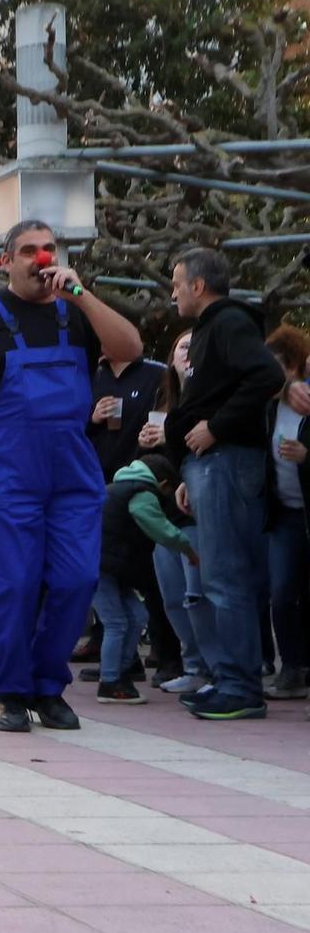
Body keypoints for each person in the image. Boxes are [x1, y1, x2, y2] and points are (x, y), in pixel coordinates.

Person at [0, 222, 143, 732]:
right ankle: (14, 692)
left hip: (72, 473)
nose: (41, 259)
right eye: (28, 251)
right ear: (4, 262)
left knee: (78, 579)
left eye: (49, 249)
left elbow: (129, 347)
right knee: (15, 585)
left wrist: (82, 294)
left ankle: (48, 685)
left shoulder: (76, 311)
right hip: (5, 474)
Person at [165, 247, 285, 722]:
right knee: (221, 575)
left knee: (226, 576)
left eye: (177, 282)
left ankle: (239, 685)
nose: (172, 291)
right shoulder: (214, 330)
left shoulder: (229, 323)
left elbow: (268, 374)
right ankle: (232, 677)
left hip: (226, 461)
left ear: (198, 285)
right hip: (210, 466)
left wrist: (216, 426)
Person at [139, 330, 212, 694]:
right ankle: (192, 663)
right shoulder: (164, 400)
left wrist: (168, 436)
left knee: (196, 594)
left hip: (195, 511)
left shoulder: (207, 401)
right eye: (182, 346)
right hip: (163, 512)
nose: (187, 352)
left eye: (193, 346)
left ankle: (211, 668)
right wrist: (146, 447)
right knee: (171, 594)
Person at [94, 453, 193, 705]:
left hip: (109, 566)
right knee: (116, 621)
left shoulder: (119, 486)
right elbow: (155, 523)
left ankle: (121, 672)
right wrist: (187, 547)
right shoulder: (142, 491)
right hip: (100, 566)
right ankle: (110, 681)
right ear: (163, 484)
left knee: (137, 615)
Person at [263, 326, 310, 702]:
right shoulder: (266, 406)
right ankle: (291, 666)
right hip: (283, 513)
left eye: (276, 367)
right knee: (280, 591)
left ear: (294, 368)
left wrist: (307, 457)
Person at [91, 341, 168, 482]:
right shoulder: (93, 374)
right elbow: (72, 422)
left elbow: (173, 404)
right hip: (94, 473)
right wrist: (93, 417)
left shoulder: (157, 372)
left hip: (137, 472)